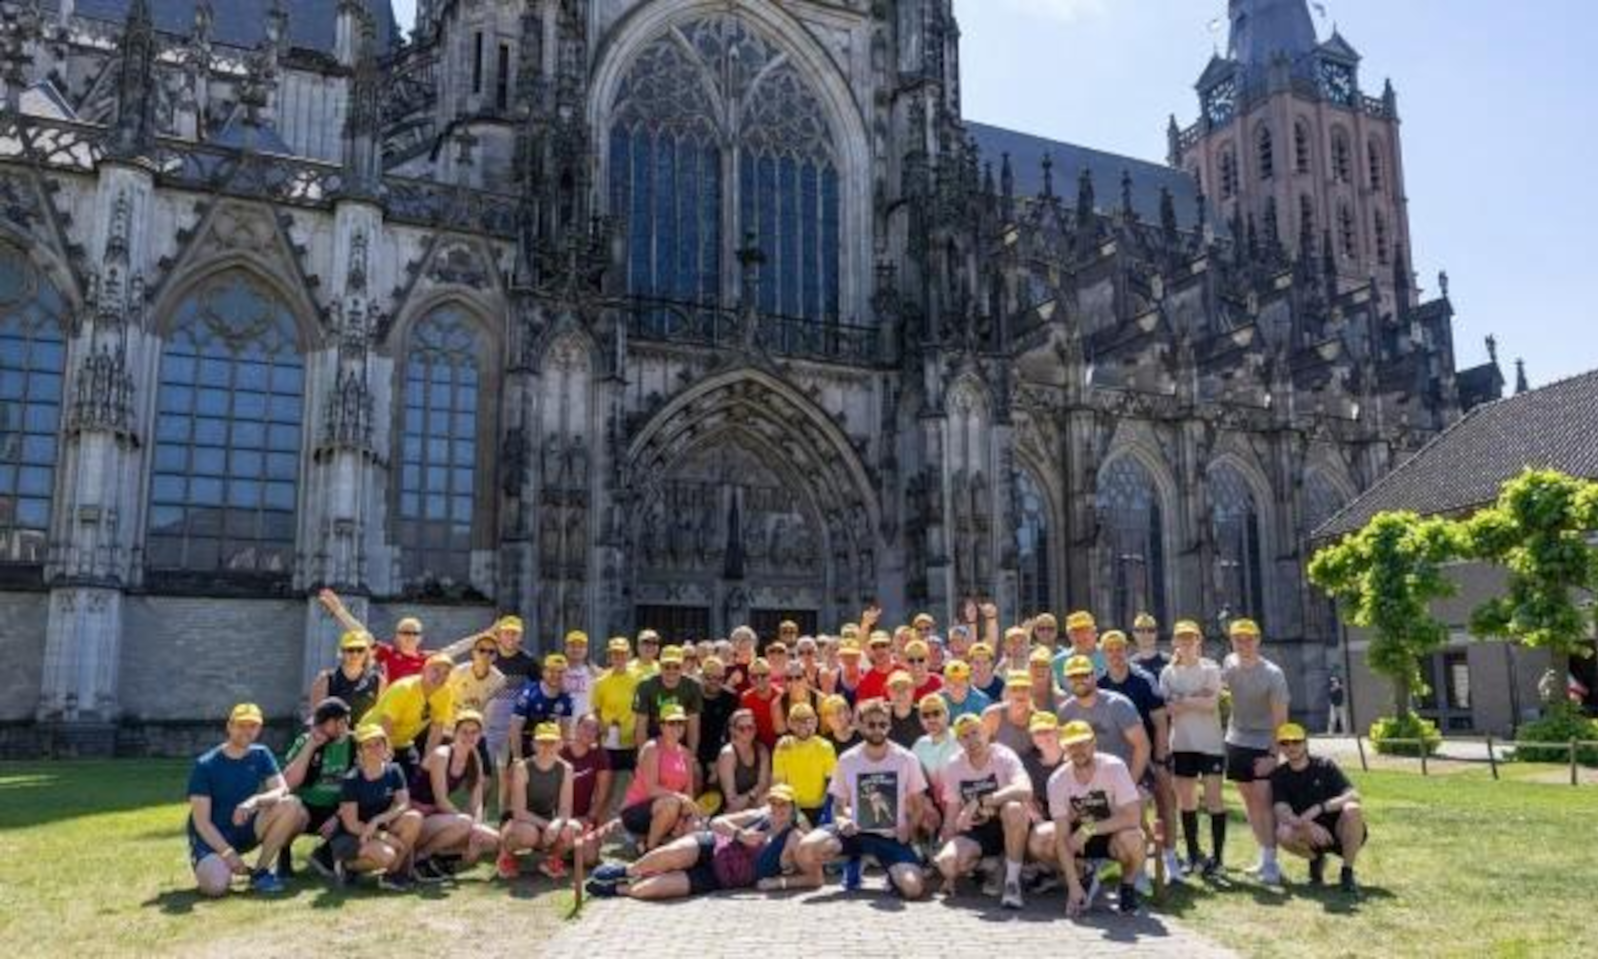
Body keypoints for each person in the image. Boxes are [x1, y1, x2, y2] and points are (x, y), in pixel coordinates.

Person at [791, 698, 929, 899]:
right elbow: (838, 805)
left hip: (891, 837)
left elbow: (919, 804)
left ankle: (889, 870)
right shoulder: (848, 759)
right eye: (871, 724)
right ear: (860, 726)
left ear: (889, 726)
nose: (877, 729)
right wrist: (842, 820)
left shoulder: (906, 758)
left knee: (913, 889)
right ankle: (852, 861)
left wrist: (909, 829)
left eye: (882, 724)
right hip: (856, 833)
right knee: (806, 849)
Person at [586, 784, 806, 899]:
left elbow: (816, 878)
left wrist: (780, 884)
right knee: (675, 853)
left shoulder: (795, 838)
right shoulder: (761, 815)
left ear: (793, 807)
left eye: (784, 804)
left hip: (719, 878)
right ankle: (626, 870)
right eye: (774, 803)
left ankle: (618, 889)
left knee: (651, 891)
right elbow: (717, 821)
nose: (778, 808)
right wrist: (741, 835)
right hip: (712, 847)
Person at [187, 703, 307, 896]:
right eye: (241, 725)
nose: (247, 731)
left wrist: (255, 801)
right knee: (216, 887)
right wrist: (228, 853)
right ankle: (215, 865)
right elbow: (202, 823)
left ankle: (260, 873)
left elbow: (282, 789)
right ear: (229, 726)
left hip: (244, 827)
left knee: (292, 804)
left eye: (253, 726)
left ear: (259, 729)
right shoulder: (205, 765)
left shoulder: (261, 754)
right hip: (211, 837)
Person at [1098, 629, 1180, 882]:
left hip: (1150, 756)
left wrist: (1161, 758)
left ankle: (1170, 858)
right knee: (1136, 810)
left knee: (1165, 804)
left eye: (1119, 649)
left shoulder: (1144, 680)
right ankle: (1140, 864)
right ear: (1103, 654)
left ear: (1127, 650)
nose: (1115, 655)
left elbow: (1161, 722)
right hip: (1118, 761)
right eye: (1109, 650)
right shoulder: (1100, 684)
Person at [933, 713, 1033, 909]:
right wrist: (948, 878)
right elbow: (951, 815)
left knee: (1013, 808)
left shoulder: (1003, 755)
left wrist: (980, 801)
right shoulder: (954, 765)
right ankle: (992, 865)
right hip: (977, 831)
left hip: (1007, 824)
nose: (972, 740)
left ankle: (1012, 882)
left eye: (975, 732)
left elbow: (1025, 789)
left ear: (986, 733)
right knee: (947, 864)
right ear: (958, 741)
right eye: (964, 736)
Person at [1049, 720, 1147, 916]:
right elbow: (1061, 836)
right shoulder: (1057, 779)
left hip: (1112, 834)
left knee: (1134, 838)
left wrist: (1089, 829)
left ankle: (1127, 886)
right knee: (1041, 841)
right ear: (1065, 748)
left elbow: (1133, 817)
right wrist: (1073, 887)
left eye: (1082, 743)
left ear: (1094, 743)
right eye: (1072, 745)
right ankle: (1083, 874)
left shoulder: (1114, 767)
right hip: (1080, 842)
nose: (1078, 750)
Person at [1222, 619, 1291, 884]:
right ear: (1232, 641)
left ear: (1258, 640)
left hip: (1264, 743)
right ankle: (1263, 855)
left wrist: (1274, 756)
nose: (1244, 643)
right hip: (1236, 739)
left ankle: (1272, 862)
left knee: (1263, 802)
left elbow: (1281, 721)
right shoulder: (1229, 663)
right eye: (1238, 638)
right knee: (1250, 803)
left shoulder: (1273, 674)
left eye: (1249, 638)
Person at [1160, 620, 1228, 876]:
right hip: (1182, 744)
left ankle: (1218, 859)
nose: (1186, 642)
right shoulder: (1168, 673)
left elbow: (1211, 703)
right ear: (1174, 642)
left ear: (1199, 640)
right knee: (1186, 801)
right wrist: (1196, 697)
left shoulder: (1211, 668)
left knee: (1213, 800)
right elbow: (1168, 706)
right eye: (1181, 638)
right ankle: (1192, 855)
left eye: (1191, 637)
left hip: (1210, 744)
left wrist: (1182, 698)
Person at [1269, 723, 1366, 894]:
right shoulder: (1279, 775)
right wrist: (1304, 823)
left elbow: (1354, 795)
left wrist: (1319, 808)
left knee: (1352, 808)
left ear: (1305, 743)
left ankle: (1347, 873)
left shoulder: (1325, 765)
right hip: (1308, 835)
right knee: (1283, 833)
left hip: (1340, 831)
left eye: (1296, 741)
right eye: (1285, 743)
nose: (1291, 746)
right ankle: (1316, 859)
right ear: (1280, 747)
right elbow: (1281, 809)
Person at [332, 724, 424, 890]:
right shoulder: (351, 779)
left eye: (378, 744)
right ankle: (347, 867)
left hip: (377, 828)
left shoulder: (394, 770)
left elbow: (403, 804)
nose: (374, 749)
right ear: (360, 752)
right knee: (387, 855)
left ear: (386, 746)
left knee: (414, 818)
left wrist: (378, 820)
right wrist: (383, 836)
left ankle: (392, 875)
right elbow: (351, 825)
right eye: (368, 745)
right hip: (351, 836)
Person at [410, 710, 498, 880]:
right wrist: (469, 825)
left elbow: (477, 800)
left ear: (480, 735)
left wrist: (476, 830)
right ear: (455, 732)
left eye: (474, 732)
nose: (469, 736)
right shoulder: (442, 754)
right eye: (464, 731)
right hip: (417, 819)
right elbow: (442, 801)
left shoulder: (475, 757)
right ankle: (420, 858)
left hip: (439, 820)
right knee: (464, 822)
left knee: (493, 840)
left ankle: (442, 857)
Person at [281, 697, 355, 878]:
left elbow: (361, 788)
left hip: (337, 809)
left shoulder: (357, 744)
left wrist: (338, 816)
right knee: (289, 807)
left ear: (341, 723)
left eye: (323, 724)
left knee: (358, 814)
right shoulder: (306, 740)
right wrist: (310, 747)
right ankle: (283, 857)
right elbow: (288, 783)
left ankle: (324, 855)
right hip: (305, 807)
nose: (316, 729)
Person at [498, 721, 579, 879]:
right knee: (529, 833)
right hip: (520, 823)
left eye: (552, 742)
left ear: (560, 745)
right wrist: (548, 825)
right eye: (542, 742)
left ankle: (552, 861)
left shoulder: (566, 768)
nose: (547, 747)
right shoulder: (522, 767)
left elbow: (565, 810)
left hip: (546, 822)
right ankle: (506, 857)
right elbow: (519, 812)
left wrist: (556, 824)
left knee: (574, 828)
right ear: (534, 744)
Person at [618, 703, 700, 852]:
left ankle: (661, 849)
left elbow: (689, 795)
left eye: (680, 722)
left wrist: (683, 819)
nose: (677, 726)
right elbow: (652, 790)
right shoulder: (652, 748)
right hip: (636, 811)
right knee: (671, 803)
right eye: (671, 723)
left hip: (669, 808)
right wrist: (680, 798)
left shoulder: (686, 754)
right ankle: (650, 850)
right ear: (661, 726)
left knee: (695, 822)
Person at [1056, 655, 1149, 785]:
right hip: (1087, 782)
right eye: (1073, 677)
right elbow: (1065, 752)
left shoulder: (1118, 704)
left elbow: (1142, 746)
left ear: (1094, 676)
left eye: (1084, 675)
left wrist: (1130, 784)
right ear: (1066, 680)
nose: (1079, 681)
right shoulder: (1064, 712)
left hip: (1123, 776)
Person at [364, 653, 456, 780]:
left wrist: (428, 761)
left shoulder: (445, 692)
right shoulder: (404, 688)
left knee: (417, 779)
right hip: (372, 738)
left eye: (446, 673)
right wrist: (385, 757)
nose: (441, 676)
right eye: (436, 670)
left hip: (402, 742)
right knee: (380, 782)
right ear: (424, 670)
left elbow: (437, 728)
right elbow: (386, 724)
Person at [318, 589, 428, 683]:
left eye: (415, 633)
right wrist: (340, 611)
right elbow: (362, 634)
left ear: (420, 638)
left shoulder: (428, 658)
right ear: (397, 637)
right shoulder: (388, 653)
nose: (410, 636)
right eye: (405, 633)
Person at [592, 636, 642, 817]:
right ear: (609, 657)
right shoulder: (601, 682)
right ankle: (597, 824)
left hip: (631, 742)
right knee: (605, 787)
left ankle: (623, 827)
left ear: (629, 655)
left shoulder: (639, 680)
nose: (619, 657)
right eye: (615, 654)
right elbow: (596, 710)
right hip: (609, 743)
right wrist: (603, 726)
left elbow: (642, 710)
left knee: (631, 788)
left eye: (622, 653)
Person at [771, 702, 837, 824]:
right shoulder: (783, 747)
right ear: (789, 723)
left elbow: (831, 783)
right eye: (797, 720)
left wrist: (827, 812)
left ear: (816, 721)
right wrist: (793, 812)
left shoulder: (825, 746)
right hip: (792, 808)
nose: (803, 724)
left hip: (819, 808)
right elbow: (779, 783)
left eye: (808, 719)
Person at [634, 645, 704, 756]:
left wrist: (692, 757)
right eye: (667, 666)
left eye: (676, 667)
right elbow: (641, 725)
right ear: (660, 667)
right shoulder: (645, 686)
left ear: (683, 667)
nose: (671, 670)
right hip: (653, 743)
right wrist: (643, 756)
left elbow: (693, 727)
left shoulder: (693, 686)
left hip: (681, 744)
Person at [1021, 711, 1068, 874]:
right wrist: (1038, 818)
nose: (1043, 736)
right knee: (1040, 838)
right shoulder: (1027, 761)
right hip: (1043, 816)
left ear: (1059, 731)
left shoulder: (1073, 757)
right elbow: (1023, 793)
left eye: (1048, 731)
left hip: (1073, 816)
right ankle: (1076, 872)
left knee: (1048, 837)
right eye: (1037, 732)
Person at [561, 713, 614, 855]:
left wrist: (589, 818)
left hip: (585, 818)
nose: (589, 732)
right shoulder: (561, 751)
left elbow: (602, 794)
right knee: (565, 839)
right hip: (559, 817)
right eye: (585, 726)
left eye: (594, 729)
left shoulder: (600, 754)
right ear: (576, 727)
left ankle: (568, 851)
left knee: (590, 857)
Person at [308, 630, 385, 724]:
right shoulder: (326, 679)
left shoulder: (378, 680)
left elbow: (381, 716)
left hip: (364, 735)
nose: (355, 654)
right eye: (350, 650)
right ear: (342, 652)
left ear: (367, 653)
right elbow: (316, 717)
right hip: (334, 735)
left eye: (360, 650)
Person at [509, 654, 574, 763]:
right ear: (543, 672)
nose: (556, 675)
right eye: (552, 671)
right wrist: (517, 759)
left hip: (550, 751)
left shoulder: (566, 698)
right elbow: (515, 729)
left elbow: (565, 733)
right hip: (526, 748)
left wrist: (560, 760)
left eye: (561, 672)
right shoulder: (529, 694)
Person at [716, 708, 771, 814]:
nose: (747, 732)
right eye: (741, 728)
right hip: (729, 810)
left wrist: (752, 798)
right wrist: (753, 795)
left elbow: (763, 785)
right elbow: (731, 801)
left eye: (750, 727)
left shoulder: (761, 750)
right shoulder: (728, 754)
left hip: (755, 803)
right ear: (732, 730)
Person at [697, 656, 739, 783]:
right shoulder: (693, 696)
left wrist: (719, 760)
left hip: (722, 750)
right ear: (702, 676)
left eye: (719, 678)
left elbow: (734, 732)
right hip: (696, 750)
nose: (714, 682)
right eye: (709, 677)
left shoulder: (730, 698)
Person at [911, 694, 961, 799]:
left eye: (936, 713)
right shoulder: (918, 746)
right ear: (920, 720)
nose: (931, 719)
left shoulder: (961, 739)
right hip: (931, 809)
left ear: (947, 715)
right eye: (925, 715)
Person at [983, 671, 1039, 758]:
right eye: (1014, 689)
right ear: (1007, 692)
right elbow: (980, 747)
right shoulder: (992, 715)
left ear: (1031, 692)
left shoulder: (1037, 719)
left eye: (1024, 688)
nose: (1020, 693)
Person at [739, 657, 783, 750]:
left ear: (770, 675)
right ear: (749, 678)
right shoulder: (746, 698)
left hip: (781, 746)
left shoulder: (781, 695)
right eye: (754, 676)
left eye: (763, 675)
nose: (759, 679)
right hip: (757, 747)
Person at [1054, 611, 1105, 685]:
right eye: (1075, 632)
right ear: (1069, 636)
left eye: (1085, 630)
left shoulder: (1110, 655)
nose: (1080, 635)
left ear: (1094, 632)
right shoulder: (1058, 662)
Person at [772, 661, 821, 737]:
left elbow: (825, 732)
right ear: (785, 681)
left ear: (806, 679)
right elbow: (781, 736)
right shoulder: (778, 705)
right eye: (789, 678)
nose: (793, 682)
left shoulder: (820, 699)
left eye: (798, 677)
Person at [852, 630, 899, 704]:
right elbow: (860, 706)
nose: (879, 650)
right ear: (870, 650)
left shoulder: (902, 672)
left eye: (883, 645)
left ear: (890, 648)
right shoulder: (865, 678)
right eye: (874, 647)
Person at [562, 631, 596, 721]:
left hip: (585, 729)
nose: (576, 650)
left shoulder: (594, 673)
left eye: (581, 646)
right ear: (566, 648)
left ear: (586, 650)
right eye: (572, 646)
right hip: (561, 727)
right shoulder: (558, 672)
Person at [885, 671, 923, 749]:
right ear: (888, 692)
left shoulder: (924, 715)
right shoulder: (881, 717)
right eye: (895, 688)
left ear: (913, 690)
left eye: (904, 688)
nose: (900, 693)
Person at [1131, 613, 1169, 678]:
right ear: (1134, 634)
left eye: (1151, 630)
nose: (1146, 634)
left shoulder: (1169, 662)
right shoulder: (1130, 665)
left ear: (1156, 634)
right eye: (1141, 630)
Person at [831, 636, 866, 704]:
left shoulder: (866, 675)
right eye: (846, 656)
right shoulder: (834, 676)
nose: (849, 659)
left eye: (853, 656)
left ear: (859, 657)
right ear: (840, 658)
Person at [1028, 646, 1063, 712]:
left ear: (1050, 670)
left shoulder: (1060, 699)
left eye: (1044, 665)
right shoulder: (1021, 694)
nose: (1040, 669)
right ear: (1028, 669)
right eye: (1035, 665)